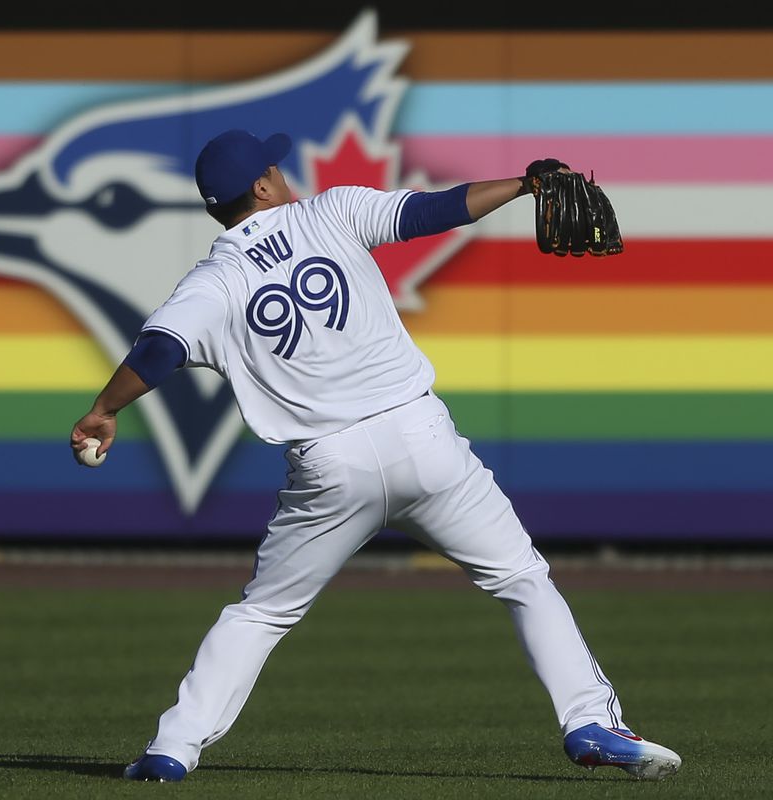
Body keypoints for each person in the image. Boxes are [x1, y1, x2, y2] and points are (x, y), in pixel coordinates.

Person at [68, 129, 681, 783]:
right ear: (263, 185)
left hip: (330, 468)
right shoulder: (329, 213)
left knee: (263, 612)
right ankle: (588, 720)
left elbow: (158, 350)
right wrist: (524, 186)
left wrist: (105, 409)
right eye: (276, 167)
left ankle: (173, 749)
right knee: (522, 579)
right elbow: (433, 210)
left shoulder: (214, 280)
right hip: (423, 441)